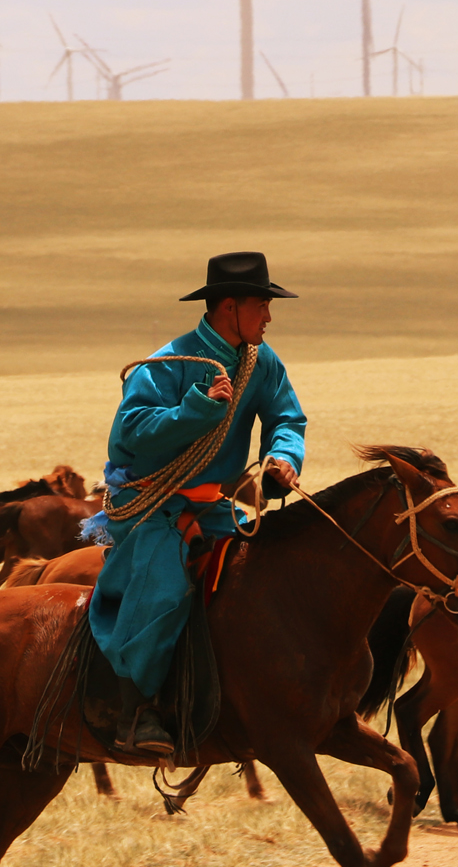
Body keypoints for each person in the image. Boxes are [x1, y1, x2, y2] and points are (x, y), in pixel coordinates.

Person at [88, 252, 307, 756]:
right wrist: (198, 409)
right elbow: (128, 436)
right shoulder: (169, 362)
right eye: (262, 306)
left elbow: (287, 419)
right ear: (228, 307)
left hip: (214, 505)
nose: (269, 317)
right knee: (162, 588)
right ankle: (136, 710)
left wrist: (281, 458)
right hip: (150, 502)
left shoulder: (261, 363)